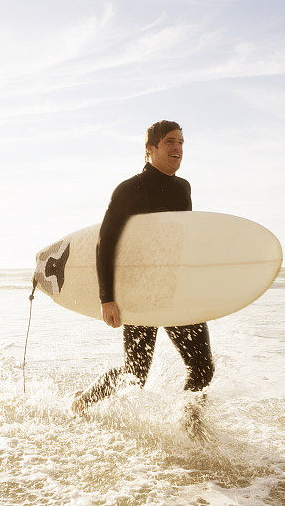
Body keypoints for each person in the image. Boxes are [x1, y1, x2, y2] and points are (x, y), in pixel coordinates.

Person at [72, 120, 215, 424]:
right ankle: (84, 401)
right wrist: (107, 298)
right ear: (150, 149)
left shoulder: (183, 188)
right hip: (139, 292)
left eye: (181, 142)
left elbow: (178, 242)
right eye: (169, 142)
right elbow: (105, 243)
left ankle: (191, 426)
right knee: (135, 374)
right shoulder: (129, 190)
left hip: (174, 291)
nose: (177, 148)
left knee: (202, 367)